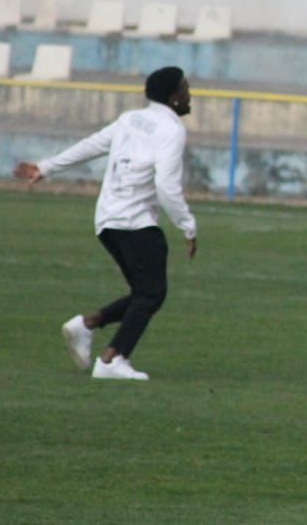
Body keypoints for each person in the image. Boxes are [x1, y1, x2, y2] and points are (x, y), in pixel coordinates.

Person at [15, 66, 198, 381]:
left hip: (107, 222)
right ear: (173, 96)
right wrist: (188, 226)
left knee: (145, 293)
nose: (189, 93)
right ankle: (112, 360)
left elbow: (91, 144)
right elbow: (166, 187)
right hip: (135, 222)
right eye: (185, 88)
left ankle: (86, 325)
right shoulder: (172, 130)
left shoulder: (130, 119)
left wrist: (46, 167)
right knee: (151, 294)